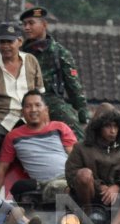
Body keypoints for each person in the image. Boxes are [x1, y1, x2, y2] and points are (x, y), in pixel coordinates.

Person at [0, 92, 77, 204]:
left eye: (37, 105)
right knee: (66, 188)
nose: (33, 110)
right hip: (48, 185)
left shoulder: (60, 127)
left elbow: (75, 157)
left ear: (46, 109)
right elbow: (1, 169)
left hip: (71, 177)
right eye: (28, 106)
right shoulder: (13, 136)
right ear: (22, 112)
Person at [64, 108, 120, 224]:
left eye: (115, 126)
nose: (113, 131)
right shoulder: (81, 148)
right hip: (87, 196)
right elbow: (71, 174)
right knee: (84, 174)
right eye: (108, 126)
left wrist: (117, 186)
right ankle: (88, 219)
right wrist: (99, 186)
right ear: (98, 127)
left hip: (116, 197)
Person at [19, 7, 90, 137]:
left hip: (51, 100)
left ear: (44, 25)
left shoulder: (59, 52)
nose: (26, 28)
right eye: (24, 24)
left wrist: (82, 112)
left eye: (31, 23)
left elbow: (74, 86)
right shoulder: (19, 52)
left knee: (77, 134)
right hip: (21, 100)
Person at [0, 22, 45, 152]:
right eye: (2, 42)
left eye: (9, 42)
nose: (5, 46)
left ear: (20, 42)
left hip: (29, 116)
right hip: (0, 118)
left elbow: (41, 95)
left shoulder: (31, 61)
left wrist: (45, 122)